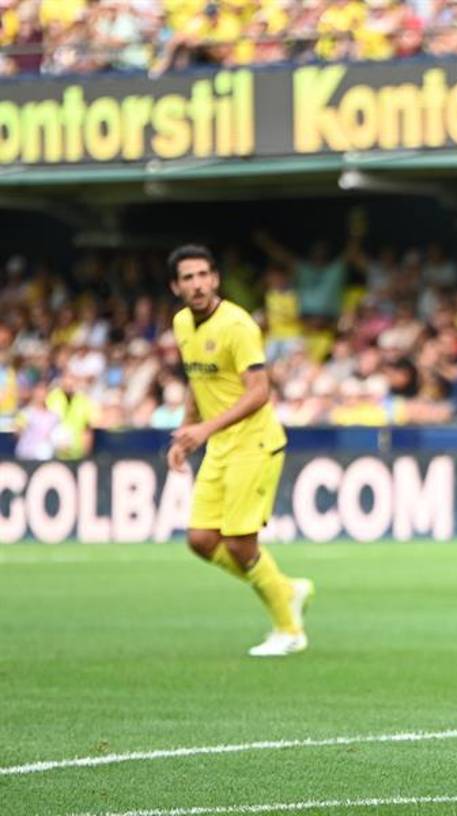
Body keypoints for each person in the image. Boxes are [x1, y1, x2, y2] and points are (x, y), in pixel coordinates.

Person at [166, 244, 314, 658]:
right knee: (199, 540)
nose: (197, 285)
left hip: (255, 442)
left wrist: (205, 430)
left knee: (239, 544)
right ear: (175, 286)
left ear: (215, 279)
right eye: (188, 278)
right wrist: (185, 431)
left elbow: (260, 391)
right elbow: (198, 382)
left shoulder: (237, 325)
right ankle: (285, 589)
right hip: (219, 445)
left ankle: (289, 630)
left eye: (203, 275)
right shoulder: (181, 324)